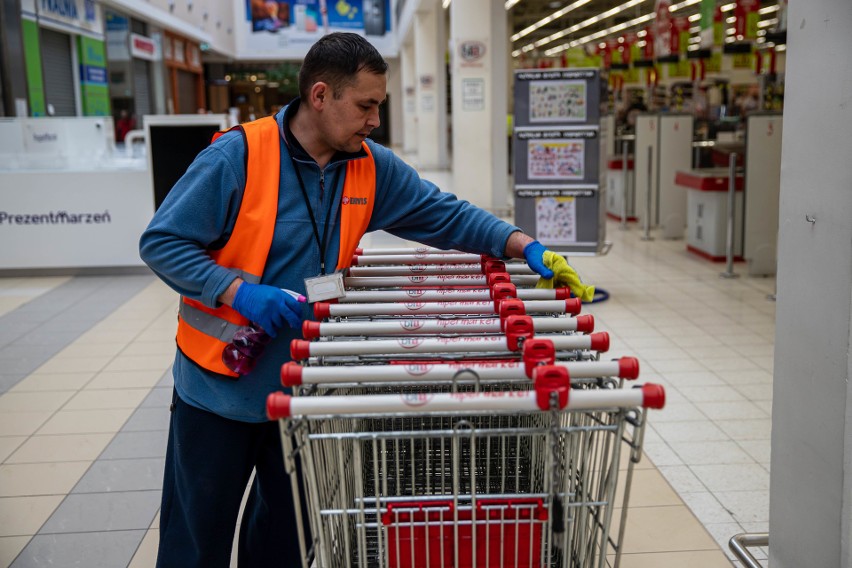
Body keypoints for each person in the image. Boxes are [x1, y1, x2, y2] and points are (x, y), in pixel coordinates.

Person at [139, 32, 592, 567]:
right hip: (219, 391)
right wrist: (238, 290)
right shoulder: (238, 156)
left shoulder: (369, 166)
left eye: (380, 105)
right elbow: (161, 241)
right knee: (196, 544)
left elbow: (444, 214)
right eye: (366, 105)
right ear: (321, 95)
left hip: (308, 394)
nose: (376, 120)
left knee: (284, 542)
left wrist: (524, 244)